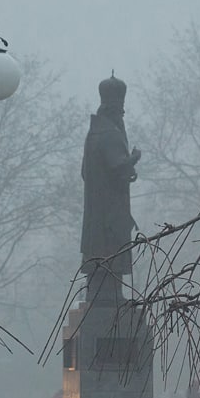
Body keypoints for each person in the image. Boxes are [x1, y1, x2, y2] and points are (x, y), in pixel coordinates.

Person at [81, 73, 140, 302]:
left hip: (97, 213)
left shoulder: (93, 133)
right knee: (111, 253)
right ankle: (111, 297)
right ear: (117, 111)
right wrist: (134, 158)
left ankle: (101, 295)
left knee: (99, 254)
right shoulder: (110, 134)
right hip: (110, 215)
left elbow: (85, 172)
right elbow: (117, 166)